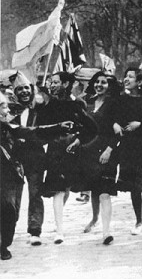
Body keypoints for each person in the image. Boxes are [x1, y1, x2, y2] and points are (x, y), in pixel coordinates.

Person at [0, 91, 73, 260]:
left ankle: (4, 245)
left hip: (10, 175)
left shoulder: (9, 126)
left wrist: (57, 127)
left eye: (5, 106)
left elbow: (33, 131)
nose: (6, 111)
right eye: (2, 107)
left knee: (10, 209)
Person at [36, 74, 97, 244]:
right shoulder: (48, 105)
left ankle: (58, 220)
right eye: (51, 82)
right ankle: (60, 230)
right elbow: (40, 128)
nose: (52, 85)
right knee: (58, 189)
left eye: (56, 82)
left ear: (66, 84)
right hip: (56, 149)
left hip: (73, 149)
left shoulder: (77, 104)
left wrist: (79, 140)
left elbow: (92, 127)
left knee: (67, 188)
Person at [113, 68, 142, 237]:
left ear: (139, 82)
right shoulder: (121, 100)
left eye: (130, 76)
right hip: (128, 147)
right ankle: (139, 220)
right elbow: (113, 117)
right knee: (134, 187)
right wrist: (116, 124)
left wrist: (141, 124)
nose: (126, 79)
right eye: (125, 76)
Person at [76, 71, 121, 245]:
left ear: (109, 86)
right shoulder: (89, 103)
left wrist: (109, 150)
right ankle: (94, 219)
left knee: (104, 191)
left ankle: (106, 231)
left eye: (103, 82)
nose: (99, 85)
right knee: (94, 189)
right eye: (97, 82)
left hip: (107, 152)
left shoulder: (114, 104)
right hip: (89, 152)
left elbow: (119, 132)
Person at [9, 71, 47, 246]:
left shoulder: (40, 108)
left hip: (35, 157)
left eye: (26, 88)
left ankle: (35, 231)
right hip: (15, 159)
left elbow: (46, 131)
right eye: (19, 89)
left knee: (35, 194)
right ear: (15, 93)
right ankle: (8, 229)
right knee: (12, 197)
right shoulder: (9, 110)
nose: (24, 91)